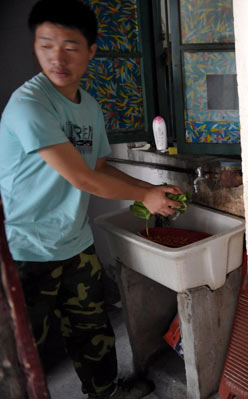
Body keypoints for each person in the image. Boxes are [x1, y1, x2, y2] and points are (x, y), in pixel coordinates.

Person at [0, 0, 184, 397]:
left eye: (70, 45)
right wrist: (145, 195)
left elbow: (99, 169)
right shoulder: (29, 104)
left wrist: (150, 191)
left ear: (91, 51)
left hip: (76, 242)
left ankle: (105, 392)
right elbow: (83, 178)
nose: (57, 57)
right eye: (45, 44)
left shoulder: (91, 108)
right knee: (22, 354)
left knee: (93, 331)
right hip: (27, 250)